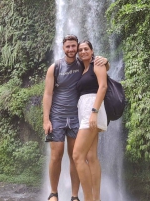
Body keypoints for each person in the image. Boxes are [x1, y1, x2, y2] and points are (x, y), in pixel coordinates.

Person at [43, 35, 108, 201]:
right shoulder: (55, 67)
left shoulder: (83, 64)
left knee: (75, 156)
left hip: (77, 116)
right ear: (63, 48)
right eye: (69, 47)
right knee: (56, 155)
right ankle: (54, 193)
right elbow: (48, 94)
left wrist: (106, 62)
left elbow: (100, 72)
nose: (72, 50)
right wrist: (46, 119)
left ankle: (75, 196)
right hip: (57, 116)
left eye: (75, 46)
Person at [73, 40, 108, 201]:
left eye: (86, 49)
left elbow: (103, 87)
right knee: (91, 156)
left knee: (77, 155)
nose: (82, 51)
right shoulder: (83, 69)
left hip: (92, 110)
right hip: (85, 112)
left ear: (92, 51)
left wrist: (94, 111)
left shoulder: (98, 64)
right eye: (80, 50)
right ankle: (96, 199)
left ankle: (88, 198)